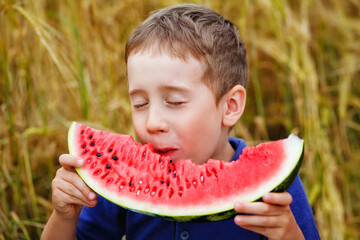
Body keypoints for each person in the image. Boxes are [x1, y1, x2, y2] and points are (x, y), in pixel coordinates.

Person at [41, 4, 320, 240]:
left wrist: (290, 234)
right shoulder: (116, 182)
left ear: (230, 106)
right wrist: (64, 216)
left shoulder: (277, 190)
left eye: (174, 102)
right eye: (139, 104)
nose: (152, 123)